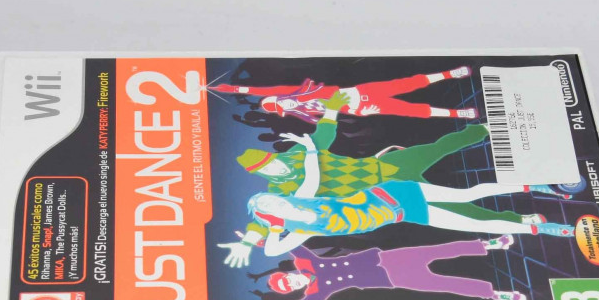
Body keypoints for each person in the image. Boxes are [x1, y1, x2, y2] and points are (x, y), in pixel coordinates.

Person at [219, 99, 571, 268]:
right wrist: (249, 241)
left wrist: (331, 110)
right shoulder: (284, 198)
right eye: (266, 168)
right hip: (396, 207)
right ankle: (523, 220)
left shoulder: (298, 166)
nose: (274, 166)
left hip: (385, 173)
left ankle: (484, 131)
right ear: (262, 176)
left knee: (440, 153)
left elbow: (322, 139)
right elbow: (266, 224)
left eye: (270, 159)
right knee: (467, 215)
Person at [246, 236, 528, 300]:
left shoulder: (307, 262)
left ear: (289, 274)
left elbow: (292, 247)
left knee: (438, 249)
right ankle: (497, 294)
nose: (293, 285)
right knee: (446, 284)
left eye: (288, 281)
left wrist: (260, 241)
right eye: (290, 289)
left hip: (385, 258)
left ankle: (489, 244)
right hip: (389, 278)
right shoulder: (318, 290)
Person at [212, 68, 478, 122]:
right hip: (360, 107)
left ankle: (449, 74)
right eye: (282, 111)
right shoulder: (306, 112)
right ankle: (458, 114)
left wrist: (236, 89)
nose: (286, 106)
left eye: (279, 104)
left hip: (361, 92)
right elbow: (332, 117)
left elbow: (264, 91)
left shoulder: (298, 93)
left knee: (408, 83)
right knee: (411, 111)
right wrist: (362, 113)